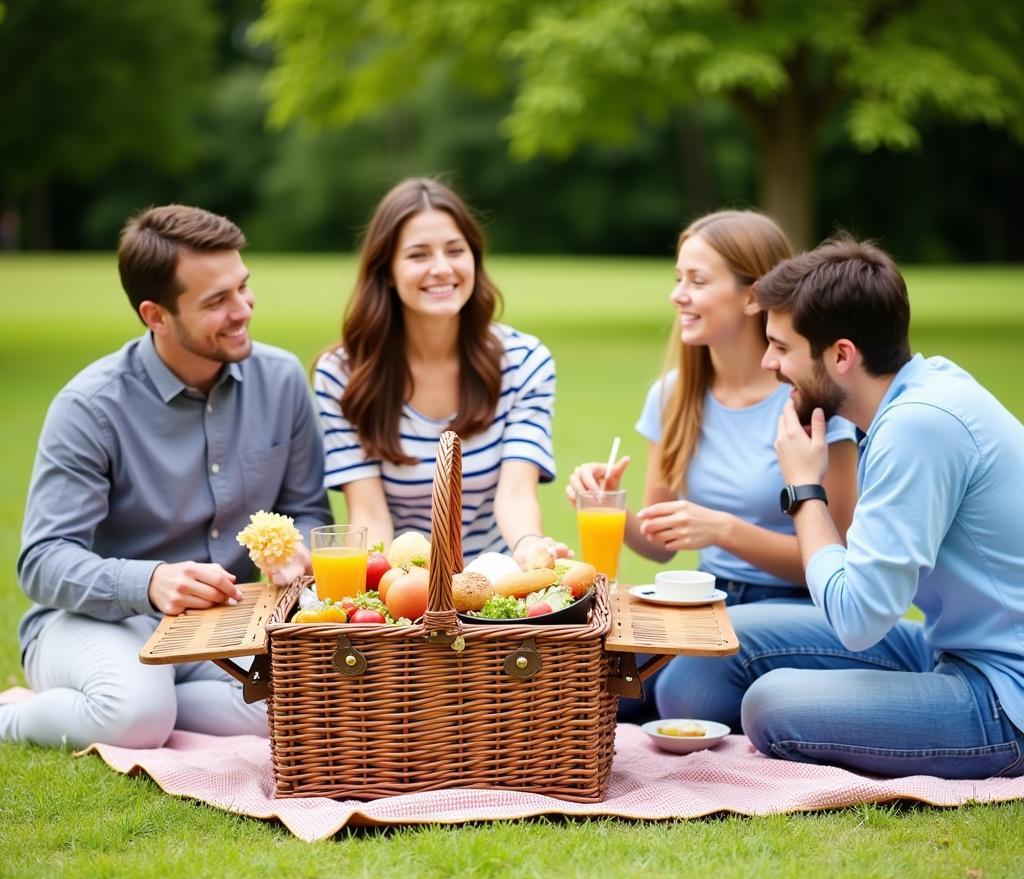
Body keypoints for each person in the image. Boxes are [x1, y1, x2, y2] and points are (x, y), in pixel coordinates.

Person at [1, 205, 331, 750]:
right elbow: (42, 561)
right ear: (156, 315)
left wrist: (292, 548)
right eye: (216, 301)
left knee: (297, 707)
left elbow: (309, 508)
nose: (243, 309)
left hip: (227, 628)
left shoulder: (281, 379)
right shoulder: (91, 406)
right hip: (101, 621)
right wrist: (149, 581)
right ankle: (19, 714)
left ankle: (137, 701)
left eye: (243, 288)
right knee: (135, 717)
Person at [701, 235, 1024, 778]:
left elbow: (859, 620)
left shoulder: (919, 427)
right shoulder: (915, 394)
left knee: (770, 704)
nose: (767, 361)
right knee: (723, 637)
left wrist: (805, 491)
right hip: (949, 650)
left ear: (841, 355)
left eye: (781, 347)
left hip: (1005, 695)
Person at [566, 211, 858, 720]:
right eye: (678, 279)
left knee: (681, 691)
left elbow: (844, 560)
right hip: (705, 599)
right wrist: (607, 503)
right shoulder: (675, 395)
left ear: (752, 297)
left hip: (798, 604)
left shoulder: (810, 401)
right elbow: (656, 545)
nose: (678, 295)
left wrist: (722, 530)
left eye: (697, 281)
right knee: (586, 671)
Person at [314, 178, 564, 567]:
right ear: (387, 272)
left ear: (474, 259)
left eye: (455, 250)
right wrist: (379, 588)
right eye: (418, 255)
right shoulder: (342, 374)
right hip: (398, 588)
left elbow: (516, 494)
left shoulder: (525, 362)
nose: (442, 268)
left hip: (494, 582)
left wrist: (531, 547)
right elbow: (369, 514)